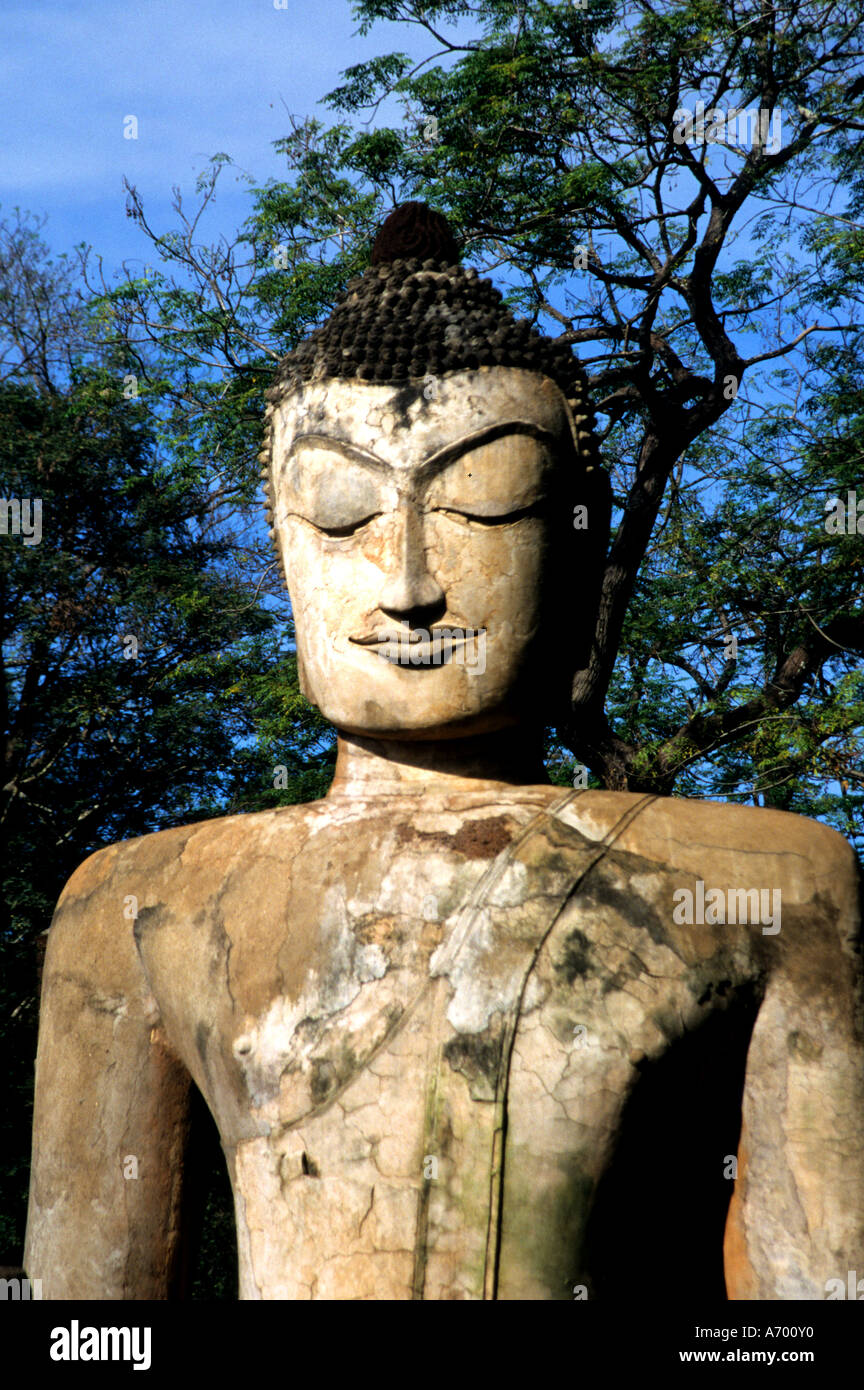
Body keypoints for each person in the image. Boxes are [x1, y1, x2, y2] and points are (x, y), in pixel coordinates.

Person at [24, 205, 864, 1300]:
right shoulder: (134, 907)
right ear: (281, 547)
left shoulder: (769, 884)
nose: (409, 582)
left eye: (485, 500)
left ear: (579, 536)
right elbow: (86, 1324)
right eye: (340, 514)